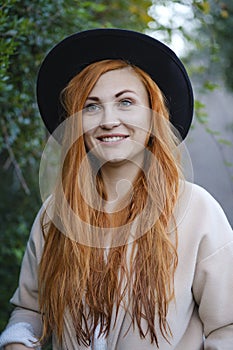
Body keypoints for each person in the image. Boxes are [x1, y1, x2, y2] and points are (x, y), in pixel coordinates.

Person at [0, 28, 233, 350]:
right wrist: (18, 344)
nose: (108, 120)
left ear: (154, 116)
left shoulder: (196, 210)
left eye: (126, 102)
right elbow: (30, 311)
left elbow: (227, 328)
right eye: (91, 106)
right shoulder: (55, 214)